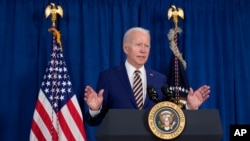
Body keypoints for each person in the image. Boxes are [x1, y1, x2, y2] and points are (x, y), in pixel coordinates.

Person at [84, 27, 210, 126]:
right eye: (138, 45)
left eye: (147, 46)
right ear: (126, 48)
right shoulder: (109, 77)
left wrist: (189, 107)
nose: (143, 50)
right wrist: (95, 109)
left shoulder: (159, 79)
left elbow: (169, 116)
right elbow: (95, 122)